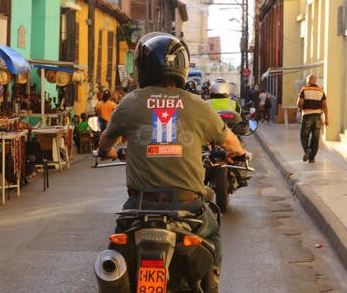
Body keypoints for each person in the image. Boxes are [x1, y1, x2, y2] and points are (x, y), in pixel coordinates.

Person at [98, 32, 249, 292]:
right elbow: (232, 144)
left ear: (142, 68)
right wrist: (239, 154)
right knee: (213, 236)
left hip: (140, 205)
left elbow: (105, 143)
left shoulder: (129, 103)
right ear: (181, 67)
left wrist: (108, 152)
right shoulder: (199, 105)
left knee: (117, 251)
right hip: (188, 207)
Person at [297, 74, 329, 163]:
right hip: (318, 116)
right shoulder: (321, 91)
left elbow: (300, 102)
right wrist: (326, 118)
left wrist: (300, 107)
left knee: (304, 135)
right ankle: (312, 158)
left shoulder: (304, 89)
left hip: (307, 115)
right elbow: (325, 105)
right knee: (315, 138)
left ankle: (307, 149)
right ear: (315, 81)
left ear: (308, 81)